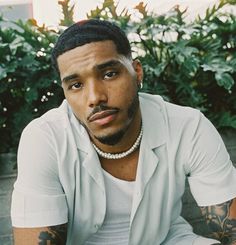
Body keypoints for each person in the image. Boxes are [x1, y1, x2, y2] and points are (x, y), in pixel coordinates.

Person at [11, 19, 236, 245]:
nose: (94, 97)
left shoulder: (187, 126)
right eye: (76, 85)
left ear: (137, 72)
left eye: (109, 74)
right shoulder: (45, 139)